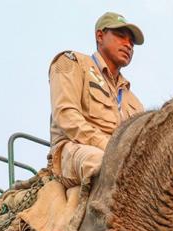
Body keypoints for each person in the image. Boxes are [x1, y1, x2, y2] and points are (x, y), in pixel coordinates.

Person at [48, 12, 146, 187]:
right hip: (74, 150)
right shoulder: (72, 62)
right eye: (121, 36)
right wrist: (111, 147)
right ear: (100, 36)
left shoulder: (135, 102)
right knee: (105, 166)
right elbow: (66, 115)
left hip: (124, 159)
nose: (128, 45)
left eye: (131, 42)